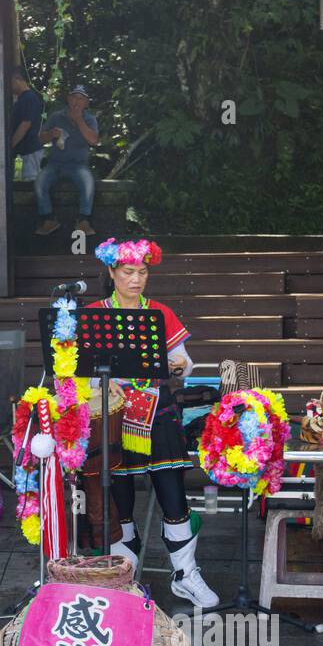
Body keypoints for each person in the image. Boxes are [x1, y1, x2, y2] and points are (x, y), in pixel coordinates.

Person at [87, 238, 220, 608]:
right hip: (113, 416)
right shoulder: (95, 313)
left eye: (142, 272)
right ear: (112, 273)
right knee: (120, 499)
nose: (136, 279)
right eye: (128, 272)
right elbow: (75, 372)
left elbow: (182, 359)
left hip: (156, 413)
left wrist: (178, 364)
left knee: (172, 494)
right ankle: (123, 578)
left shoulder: (159, 312)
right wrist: (99, 379)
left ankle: (185, 574)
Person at [34, 85, 99, 237]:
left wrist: (79, 120)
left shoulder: (90, 119)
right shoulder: (56, 116)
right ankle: (48, 219)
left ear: (86, 103)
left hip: (79, 165)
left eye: (81, 98)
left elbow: (93, 141)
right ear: (68, 100)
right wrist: (50, 134)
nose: (77, 101)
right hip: (55, 164)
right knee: (40, 182)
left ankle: (84, 221)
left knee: (88, 183)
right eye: (74, 97)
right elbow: (40, 140)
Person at [10, 67, 44, 182]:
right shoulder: (21, 99)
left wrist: (10, 145)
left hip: (30, 150)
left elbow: (25, 124)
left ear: (17, 79)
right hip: (23, 151)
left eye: (10, 82)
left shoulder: (29, 98)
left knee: (31, 184)